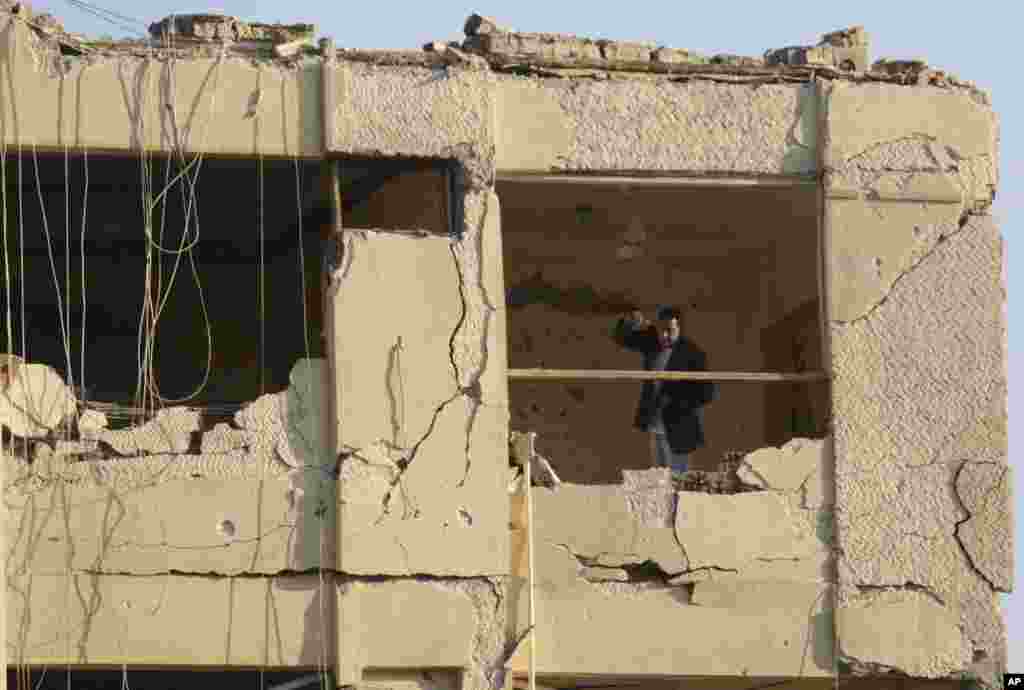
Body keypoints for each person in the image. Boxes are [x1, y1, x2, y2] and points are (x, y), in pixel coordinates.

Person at [613, 305, 716, 475]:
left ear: (680, 328)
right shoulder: (652, 341)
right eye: (661, 330)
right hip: (656, 423)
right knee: (659, 479)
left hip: (680, 425)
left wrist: (681, 399)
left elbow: (707, 393)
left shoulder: (693, 353)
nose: (664, 335)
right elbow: (622, 338)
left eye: (670, 330)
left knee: (678, 480)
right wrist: (632, 322)